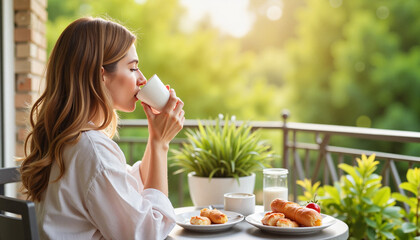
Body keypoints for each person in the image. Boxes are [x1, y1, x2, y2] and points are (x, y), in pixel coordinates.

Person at [19, 17, 185, 239]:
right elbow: (149, 233)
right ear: (101, 75)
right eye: (133, 68)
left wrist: (156, 136)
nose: (142, 79)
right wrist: (160, 144)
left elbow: (125, 190)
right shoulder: (92, 150)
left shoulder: (69, 141)